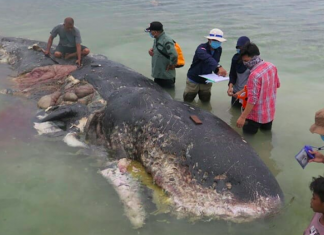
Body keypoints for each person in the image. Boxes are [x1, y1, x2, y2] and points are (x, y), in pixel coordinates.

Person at [236, 42, 280, 134]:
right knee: (266, 136)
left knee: (248, 139)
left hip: (255, 116)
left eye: (246, 60)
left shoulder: (254, 75)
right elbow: (277, 84)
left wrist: (242, 117)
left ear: (254, 58)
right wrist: (243, 90)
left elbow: (252, 100)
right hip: (269, 113)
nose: (245, 63)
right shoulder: (271, 66)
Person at [183, 28, 227, 103]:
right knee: (188, 101)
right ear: (209, 40)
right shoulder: (201, 48)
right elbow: (207, 58)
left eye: (219, 41)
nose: (217, 42)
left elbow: (214, 62)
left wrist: (218, 72)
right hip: (193, 79)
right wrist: (219, 67)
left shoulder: (219, 49)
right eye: (215, 40)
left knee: (205, 101)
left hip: (207, 80)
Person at [145, 21, 178, 88]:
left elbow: (174, 55)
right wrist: (151, 51)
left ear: (155, 32)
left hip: (166, 76)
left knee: (168, 95)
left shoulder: (166, 40)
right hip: (158, 74)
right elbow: (160, 50)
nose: (150, 33)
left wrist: (172, 64)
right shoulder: (157, 39)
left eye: (150, 31)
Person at [227, 36, 250, 108]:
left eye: (241, 48)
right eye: (238, 48)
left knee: (245, 114)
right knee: (234, 112)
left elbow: (252, 83)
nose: (239, 50)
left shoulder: (252, 61)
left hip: (247, 93)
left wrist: (242, 92)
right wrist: (230, 87)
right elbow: (232, 74)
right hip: (236, 92)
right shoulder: (235, 58)